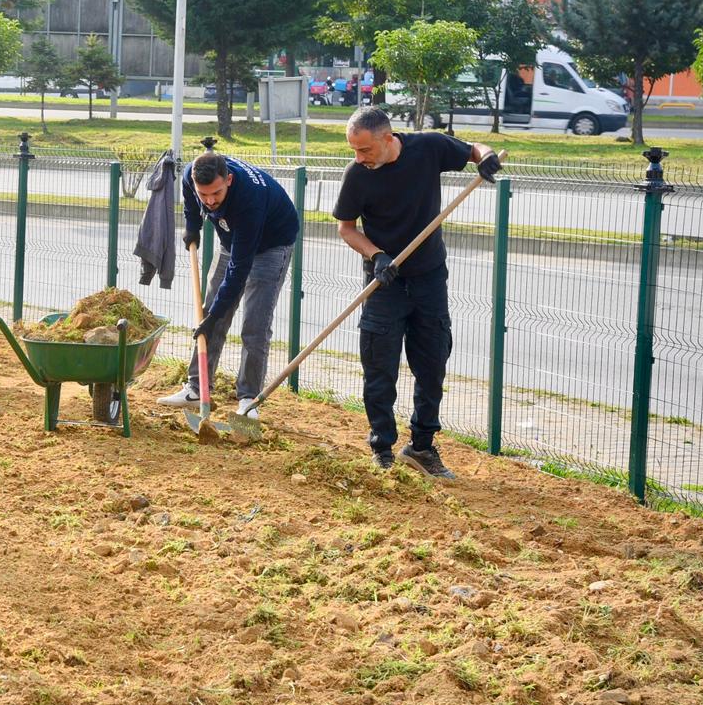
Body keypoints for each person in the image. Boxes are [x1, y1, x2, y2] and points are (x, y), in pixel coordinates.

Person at [333, 106, 501, 478]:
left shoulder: (428, 148)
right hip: (384, 282)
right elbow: (346, 228)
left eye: (365, 149)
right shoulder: (357, 175)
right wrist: (377, 255)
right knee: (379, 368)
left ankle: (422, 447)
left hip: (428, 279)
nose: (359, 158)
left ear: (387, 138)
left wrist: (487, 157)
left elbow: (474, 149)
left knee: (432, 363)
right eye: (354, 150)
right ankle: (382, 448)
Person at [158, 148, 299, 420]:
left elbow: (239, 269)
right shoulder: (190, 175)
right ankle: (197, 388)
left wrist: (215, 315)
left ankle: (248, 400)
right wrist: (192, 225)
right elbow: (190, 200)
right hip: (231, 241)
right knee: (209, 313)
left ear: (229, 180)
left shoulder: (249, 200)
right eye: (204, 195)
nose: (210, 201)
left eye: (216, 193)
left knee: (254, 325)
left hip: (271, 244)